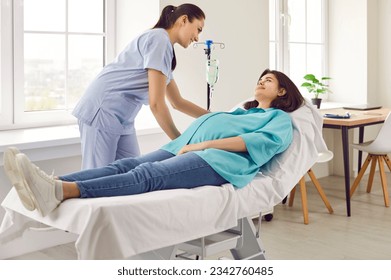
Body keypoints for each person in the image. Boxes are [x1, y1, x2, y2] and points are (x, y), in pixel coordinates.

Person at [4, 69, 305, 217]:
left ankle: (62, 190)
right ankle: (48, 181)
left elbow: (252, 145)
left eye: (269, 80)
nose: (261, 81)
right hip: (181, 149)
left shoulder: (279, 120)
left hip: (216, 163)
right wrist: (185, 143)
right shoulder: (243, 110)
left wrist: (198, 147)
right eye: (261, 77)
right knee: (124, 164)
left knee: (145, 177)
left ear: (282, 92)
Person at [72, 3, 209, 169]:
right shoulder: (159, 40)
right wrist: (181, 143)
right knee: (95, 179)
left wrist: (214, 116)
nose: (197, 38)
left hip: (123, 119)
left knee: (131, 175)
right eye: (198, 29)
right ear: (184, 19)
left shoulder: (165, 49)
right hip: (102, 110)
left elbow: (177, 102)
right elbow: (157, 105)